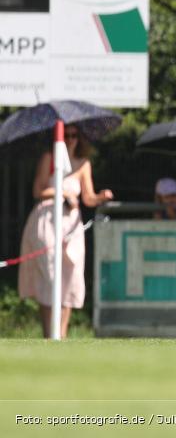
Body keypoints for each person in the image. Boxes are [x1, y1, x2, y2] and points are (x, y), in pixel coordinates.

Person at [18, 124, 114, 339]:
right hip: (48, 220)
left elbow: (88, 198)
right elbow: (38, 189)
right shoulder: (48, 158)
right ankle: (48, 335)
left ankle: (61, 336)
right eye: (66, 135)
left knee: (69, 277)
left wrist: (101, 197)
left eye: (73, 135)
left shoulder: (83, 164)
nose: (70, 139)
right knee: (50, 279)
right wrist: (61, 193)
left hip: (71, 224)